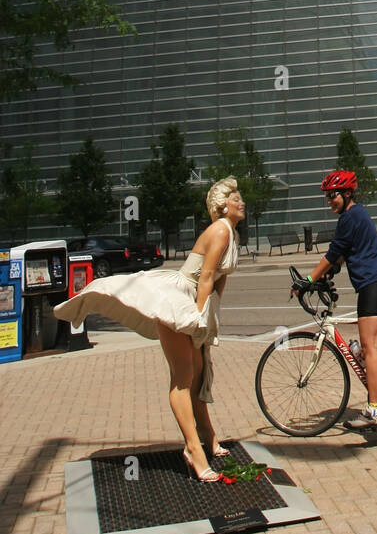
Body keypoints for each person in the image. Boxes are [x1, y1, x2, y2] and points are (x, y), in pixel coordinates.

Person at [55, 177, 243, 481]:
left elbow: (219, 278)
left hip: (195, 299)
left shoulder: (231, 233)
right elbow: (206, 276)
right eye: (236, 199)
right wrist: (198, 317)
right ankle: (193, 449)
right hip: (180, 299)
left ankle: (208, 437)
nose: (241, 202)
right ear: (222, 206)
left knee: (197, 372)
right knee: (183, 378)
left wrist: (210, 315)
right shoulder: (221, 229)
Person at [295, 170, 377, 430]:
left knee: (370, 346)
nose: (329, 201)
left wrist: (308, 279)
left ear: (347, 193)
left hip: (372, 285)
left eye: (333, 196)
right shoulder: (358, 214)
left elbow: (333, 253)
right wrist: (328, 273)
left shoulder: (349, 217)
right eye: (327, 197)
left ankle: (374, 409)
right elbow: (341, 257)